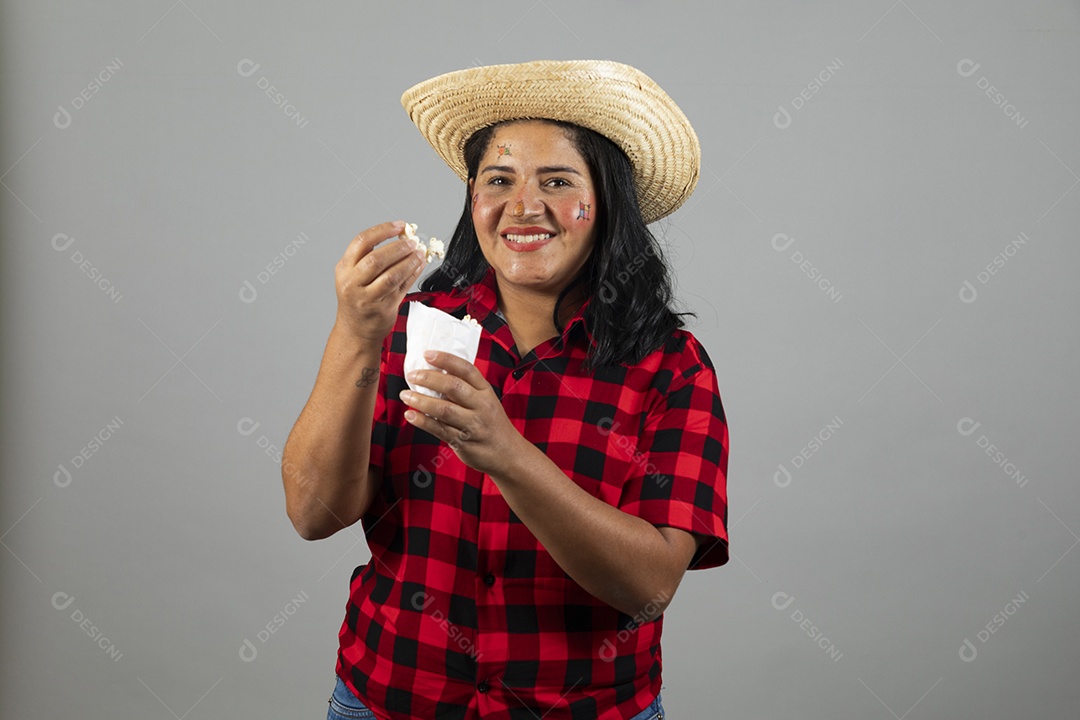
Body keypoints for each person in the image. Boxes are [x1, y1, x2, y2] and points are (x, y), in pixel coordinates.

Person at [282, 59, 729, 720]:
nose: (523, 206)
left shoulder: (672, 368)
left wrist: (506, 453)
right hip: (388, 699)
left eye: (556, 181)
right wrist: (355, 331)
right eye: (499, 179)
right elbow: (313, 514)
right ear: (473, 200)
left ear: (605, 204)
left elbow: (650, 588)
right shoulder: (410, 330)